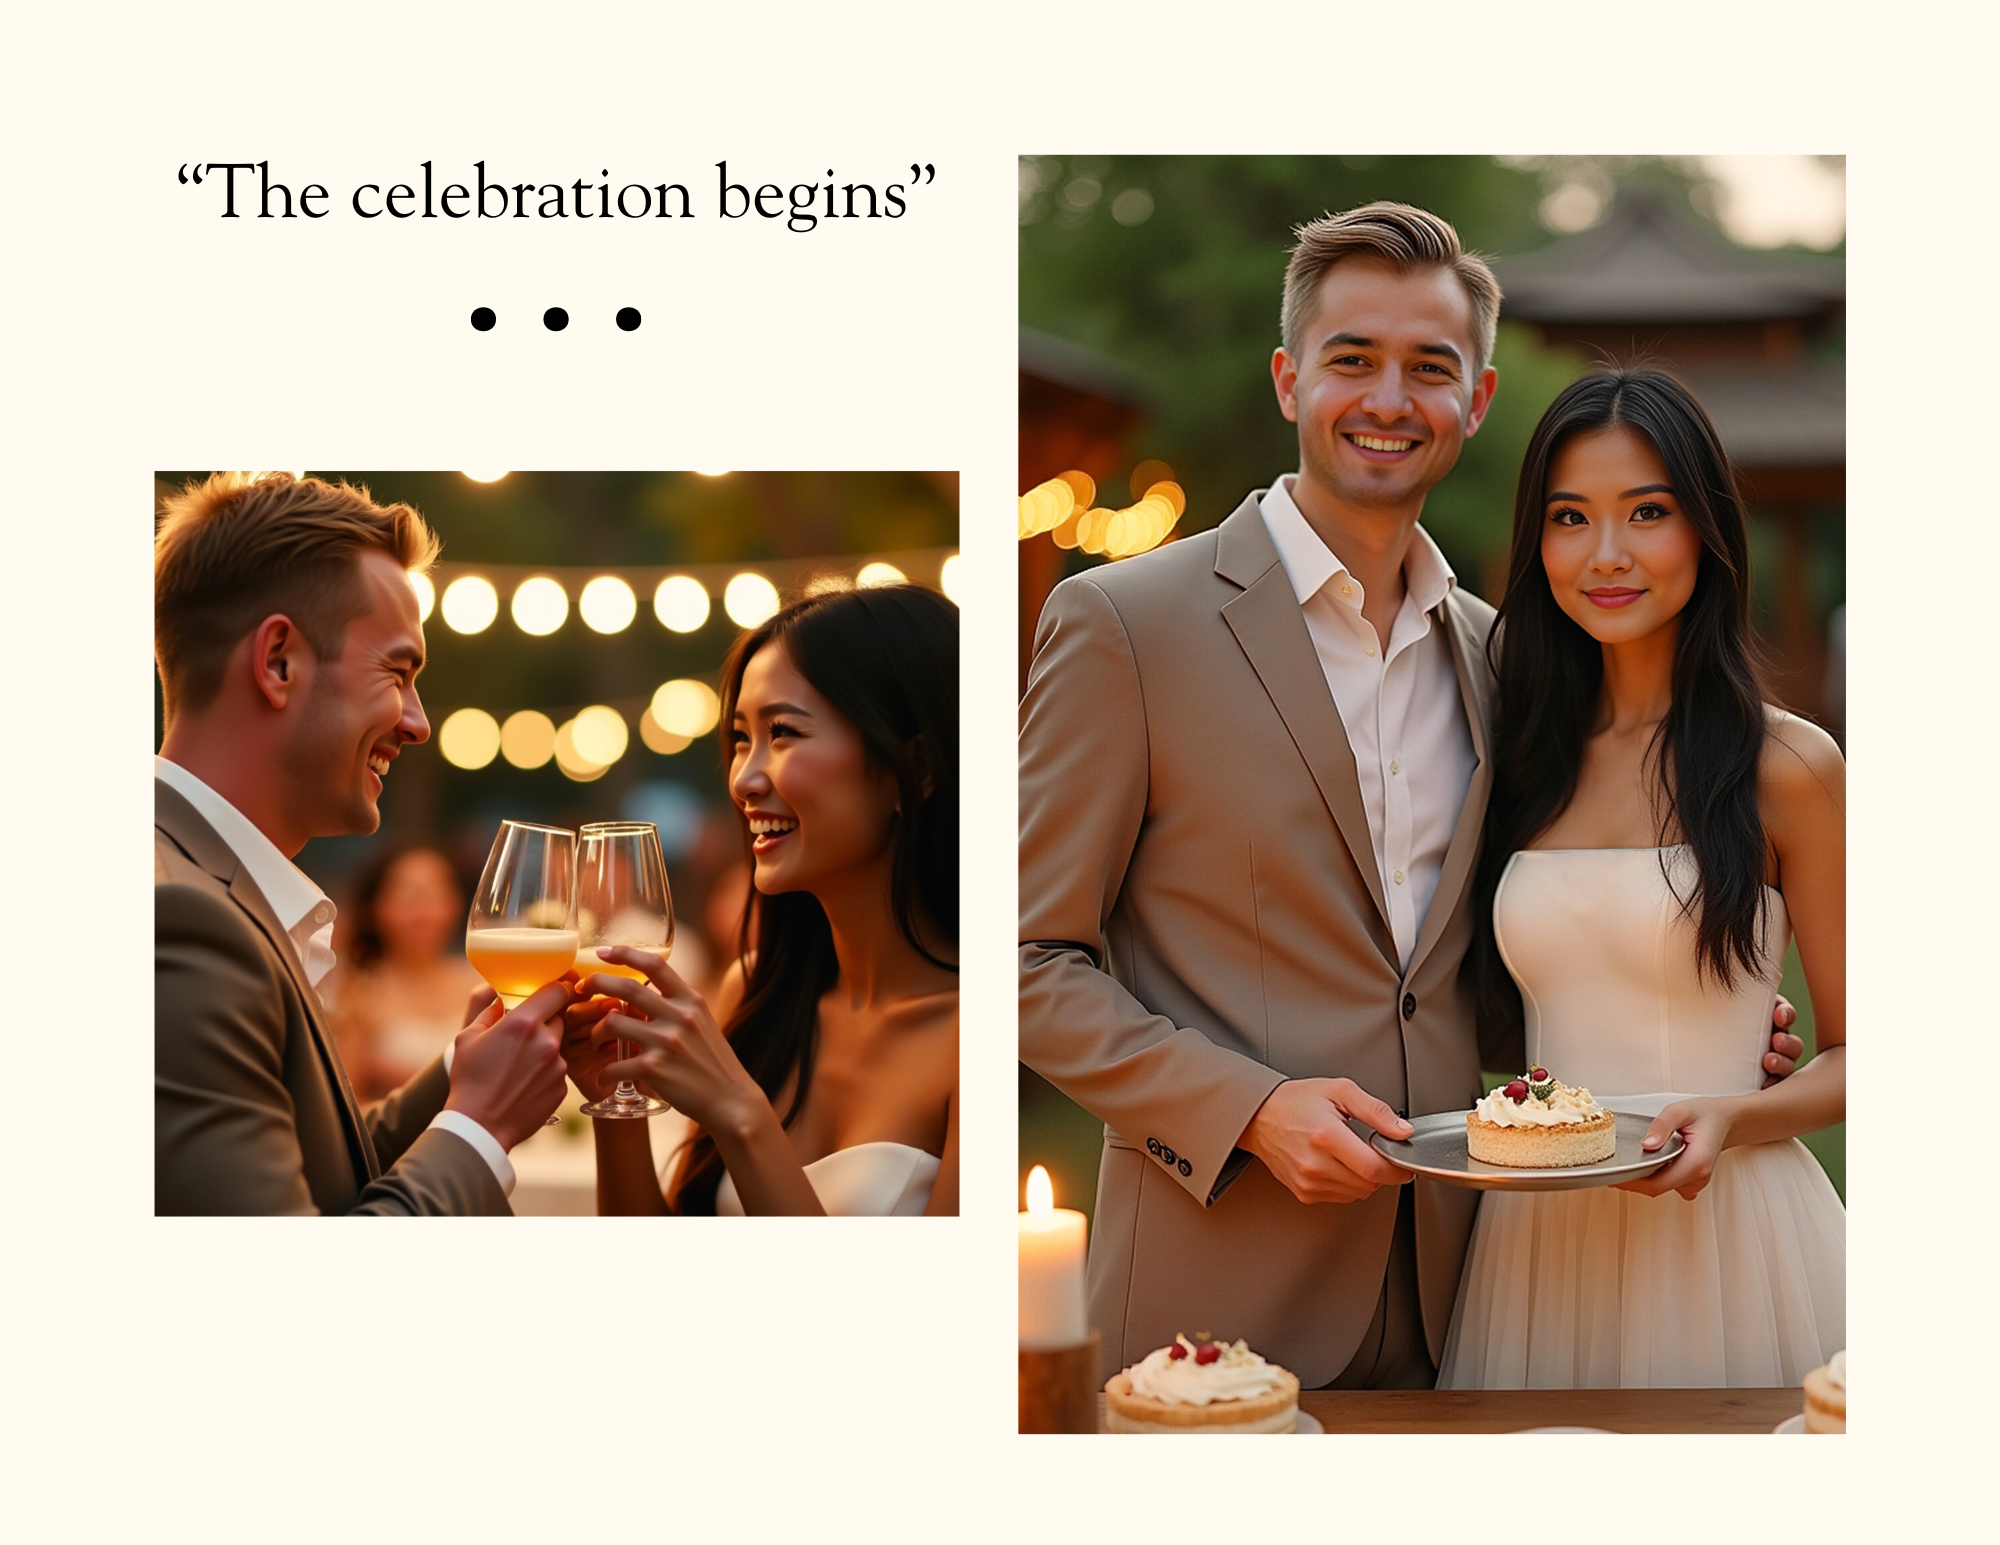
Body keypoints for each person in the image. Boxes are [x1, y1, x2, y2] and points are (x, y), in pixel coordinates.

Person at [1018, 202, 1803, 1388]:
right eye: (1351, 360)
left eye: (1427, 368)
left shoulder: (1506, 666)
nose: (1388, 399)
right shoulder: (1123, 626)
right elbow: (1025, 961)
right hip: (1216, 1294)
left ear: (1475, 404)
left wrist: (1683, 1002)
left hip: (1468, 1294)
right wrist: (1248, 1108)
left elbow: (1457, 982)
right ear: (1288, 381)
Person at [1437, 369, 1844, 1387]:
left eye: (1646, 513)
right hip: (1535, 1244)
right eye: (1569, 517)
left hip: (1727, 1230)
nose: (1605, 555)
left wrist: (1730, 1112)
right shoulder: (1512, 759)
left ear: (1705, 531)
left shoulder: (1786, 767)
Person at [154, 471, 572, 1215]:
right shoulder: (181, 922)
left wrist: (466, 1068)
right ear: (278, 661)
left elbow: (313, 1171)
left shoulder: (203, 887)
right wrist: (479, 1129)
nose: (417, 722)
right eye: (398, 671)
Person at [566, 584, 958, 1216]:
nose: (744, 779)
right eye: (741, 738)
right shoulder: (753, 993)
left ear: (915, 768)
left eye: (783, 732)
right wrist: (614, 1095)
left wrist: (740, 1113)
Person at [323, 843, 485, 1101]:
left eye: (437, 893)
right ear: (374, 907)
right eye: (408, 896)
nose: (423, 911)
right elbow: (345, 1105)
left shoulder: (479, 980)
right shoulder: (355, 993)